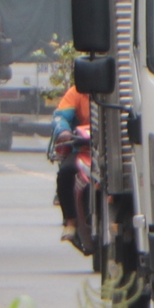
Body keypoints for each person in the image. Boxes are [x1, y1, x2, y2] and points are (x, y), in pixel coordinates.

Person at [52, 81, 89, 241]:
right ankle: (71, 220)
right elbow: (61, 116)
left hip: (111, 149)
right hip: (83, 149)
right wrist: (64, 131)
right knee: (65, 173)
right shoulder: (76, 92)